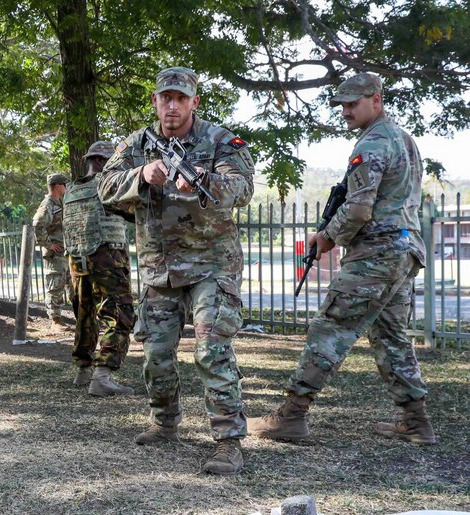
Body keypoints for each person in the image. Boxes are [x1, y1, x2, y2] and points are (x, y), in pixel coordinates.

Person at [250, 73, 434, 445]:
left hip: (377, 253)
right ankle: (416, 422)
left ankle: (291, 415)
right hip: (405, 250)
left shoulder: (373, 142)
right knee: (390, 336)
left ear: (376, 100)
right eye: (343, 105)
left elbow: (359, 208)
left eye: (353, 104)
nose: (346, 111)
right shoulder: (403, 139)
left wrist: (327, 237)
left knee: (329, 328)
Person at [98, 67, 255, 475]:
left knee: (211, 350)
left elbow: (242, 187)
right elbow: (104, 187)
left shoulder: (220, 141)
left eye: (181, 98)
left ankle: (228, 442)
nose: (172, 106)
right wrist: (140, 174)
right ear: (155, 101)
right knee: (156, 353)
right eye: (165, 98)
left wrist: (205, 179)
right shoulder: (136, 144)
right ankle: (164, 422)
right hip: (160, 269)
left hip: (211, 266)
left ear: (194, 103)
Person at [64, 142, 135, 396]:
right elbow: (135, 213)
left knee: (85, 316)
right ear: (103, 161)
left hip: (77, 261)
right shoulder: (107, 186)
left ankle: (83, 370)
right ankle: (102, 376)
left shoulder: (72, 189)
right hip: (107, 258)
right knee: (120, 315)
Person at [33, 172, 71, 324]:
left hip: (65, 252)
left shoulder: (59, 203)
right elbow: (37, 224)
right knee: (55, 286)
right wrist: (49, 245)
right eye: (64, 184)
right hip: (55, 255)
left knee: (72, 285)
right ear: (57, 186)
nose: (66, 187)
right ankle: (55, 319)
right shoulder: (48, 204)